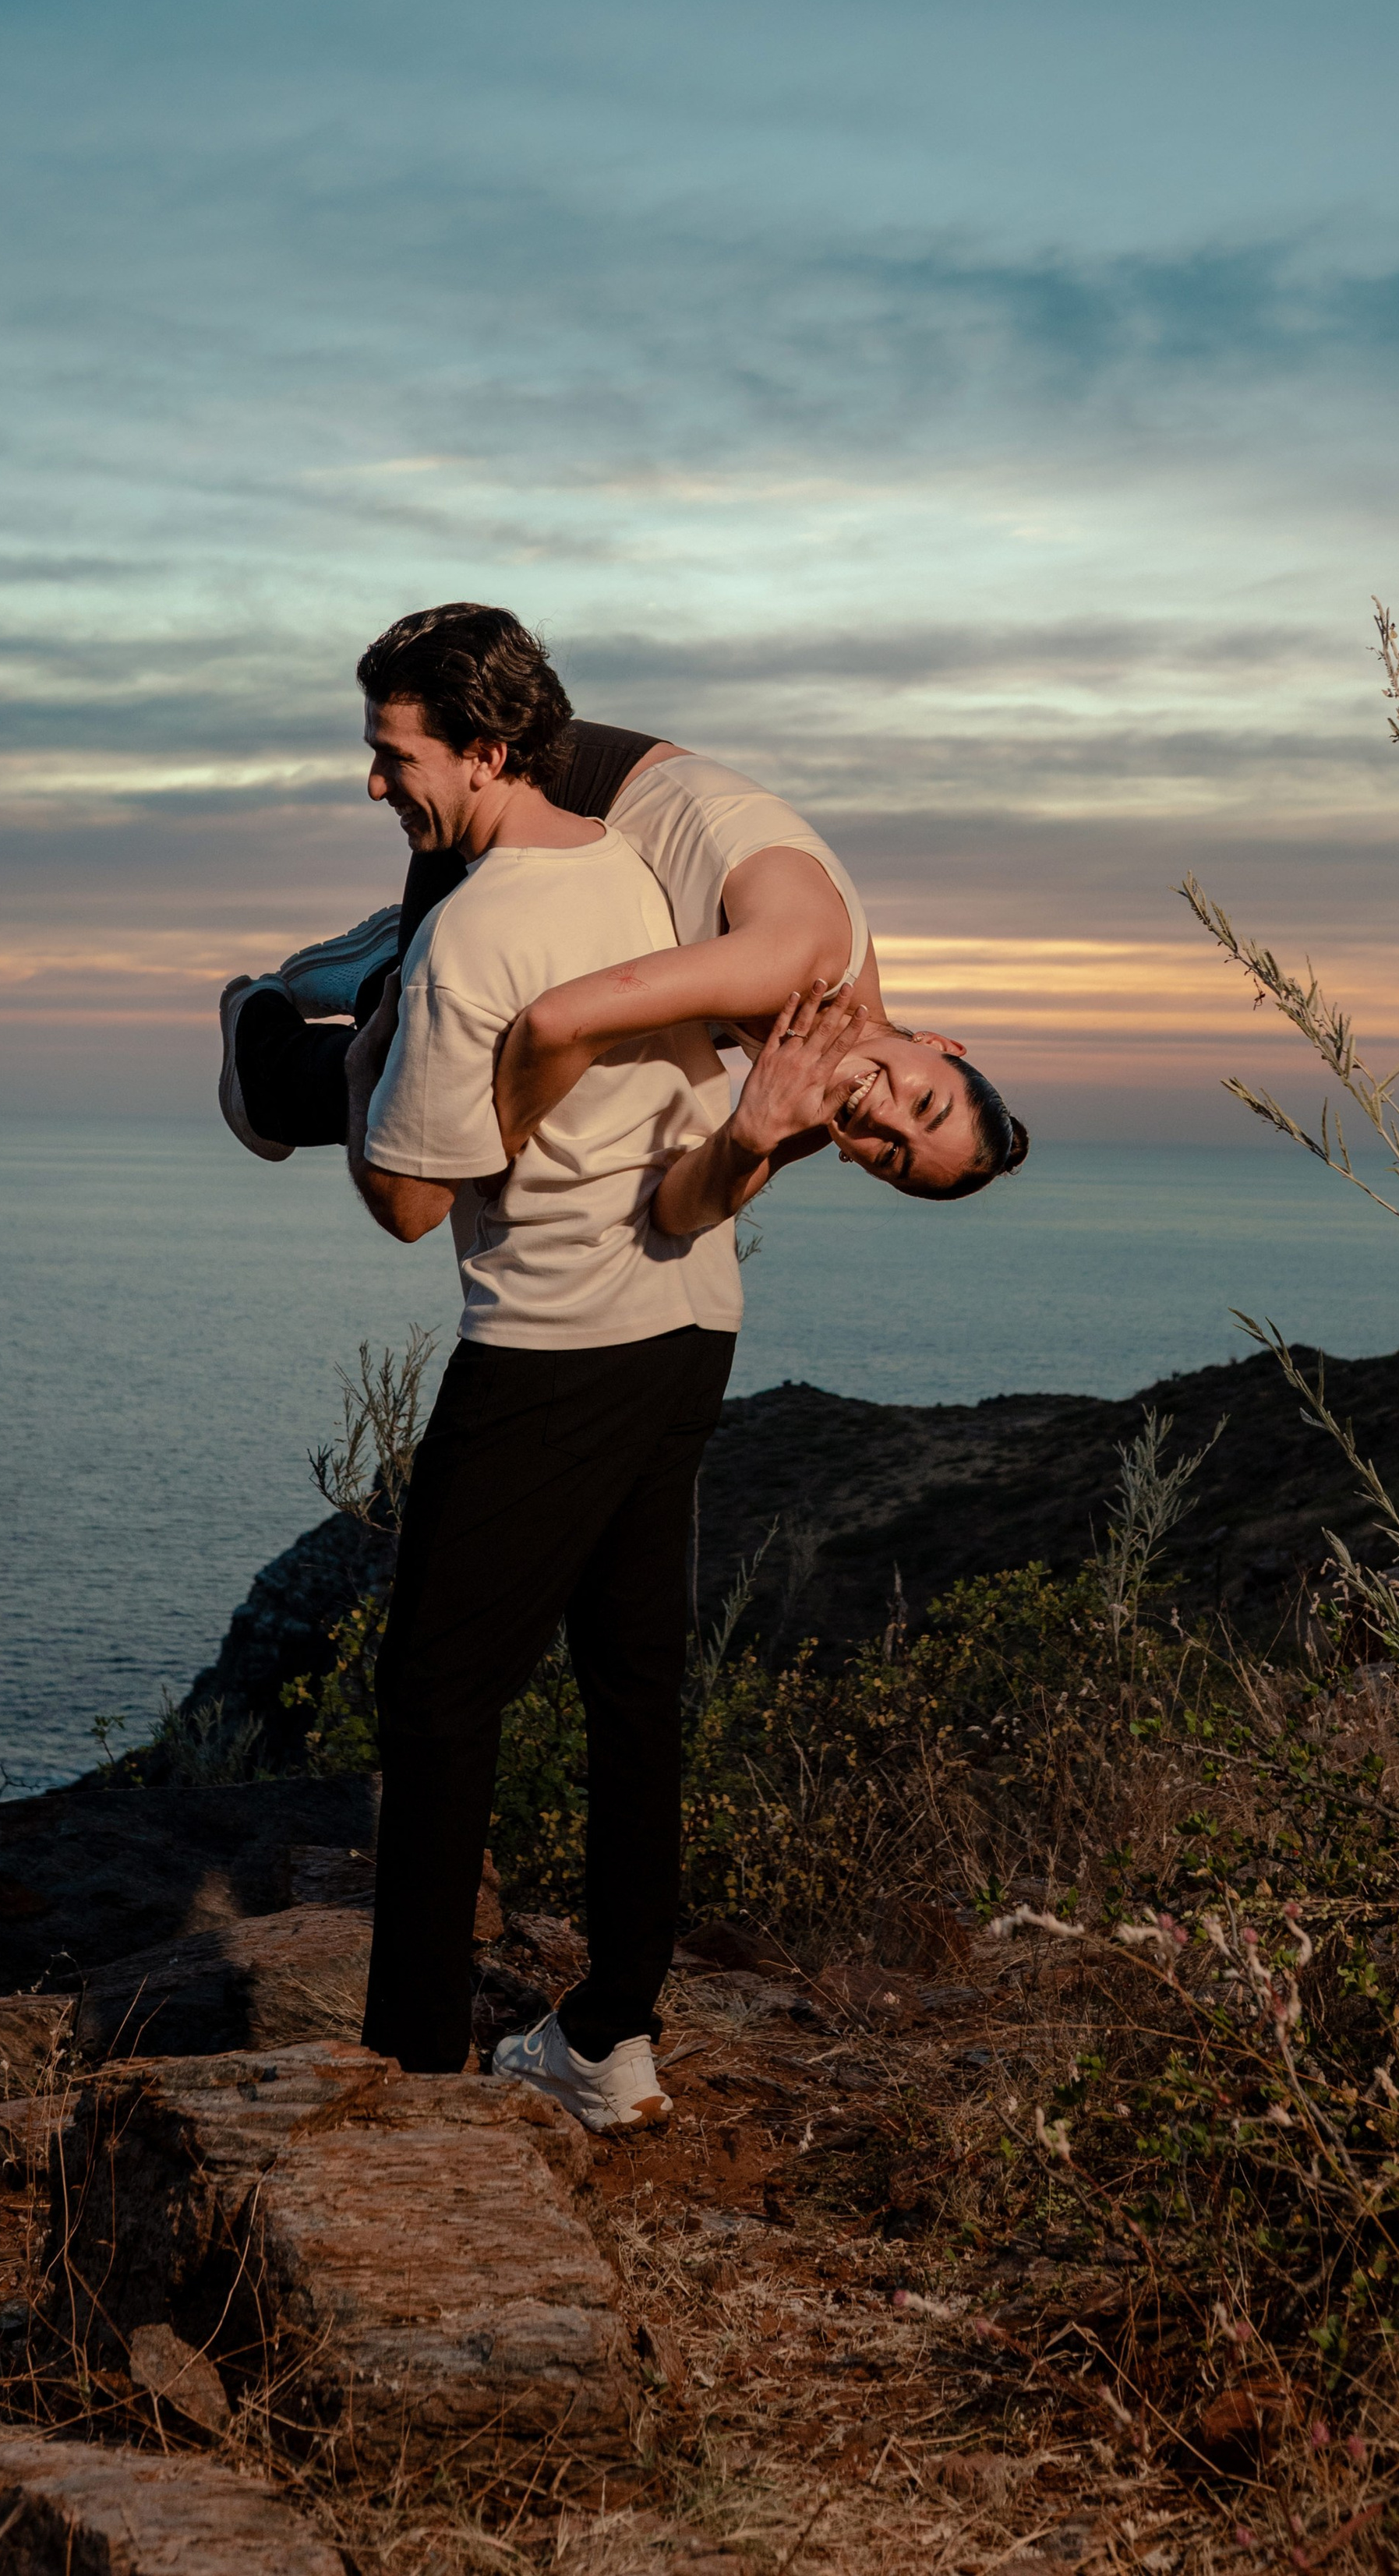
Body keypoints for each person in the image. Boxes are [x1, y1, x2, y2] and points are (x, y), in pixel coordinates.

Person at [339, 605, 871, 2130]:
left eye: (394, 757)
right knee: (633, 1683)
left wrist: (361, 1047)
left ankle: (414, 2073)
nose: (378, 786)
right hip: (688, 1317)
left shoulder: (471, 934)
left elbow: (408, 1200)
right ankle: (612, 2034)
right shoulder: (644, 876)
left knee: (438, 1699)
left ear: (487, 751)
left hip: (553, 1339)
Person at [221, 704, 1025, 1207]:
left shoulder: (811, 1078)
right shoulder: (796, 963)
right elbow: (560, 1018)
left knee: (597, 1079)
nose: (882, 1117)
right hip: (541, 777)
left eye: (889, 1157)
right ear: (939, 1047)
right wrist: (493, 1148)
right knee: (443, 1129)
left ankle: (398, 964)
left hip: (604, 861)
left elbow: (688, 1207)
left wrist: (759, 1140)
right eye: (925, 1105)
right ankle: (282, 1030)